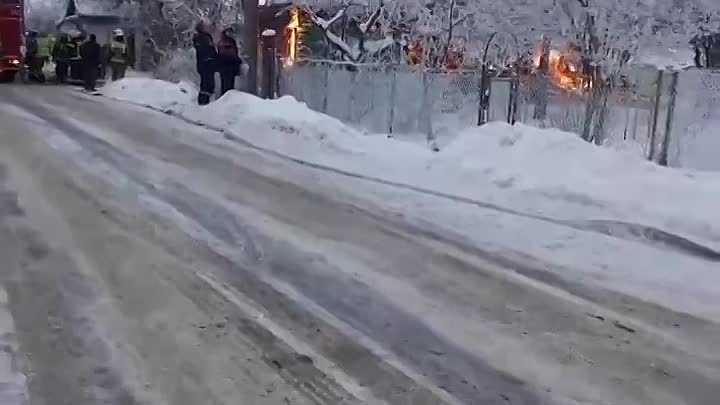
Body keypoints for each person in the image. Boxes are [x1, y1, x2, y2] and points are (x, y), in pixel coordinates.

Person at [192, 19, 217, 105]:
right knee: (207, 83)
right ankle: (203, 102)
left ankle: (205, 101)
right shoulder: (202, 38)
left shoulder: (202, 37)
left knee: (207, 83)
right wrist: (210, 58)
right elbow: (207, 50)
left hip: (205, 64)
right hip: (206, 63)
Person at [217, 27, 242, 95]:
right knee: (229, 83)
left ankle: (224, 98)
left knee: (224, 83)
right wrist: (238, 61)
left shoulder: (220, 42)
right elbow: (232, 54)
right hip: (230, 65)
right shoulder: (230, 41)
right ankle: (228, 98)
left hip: (223, 65)